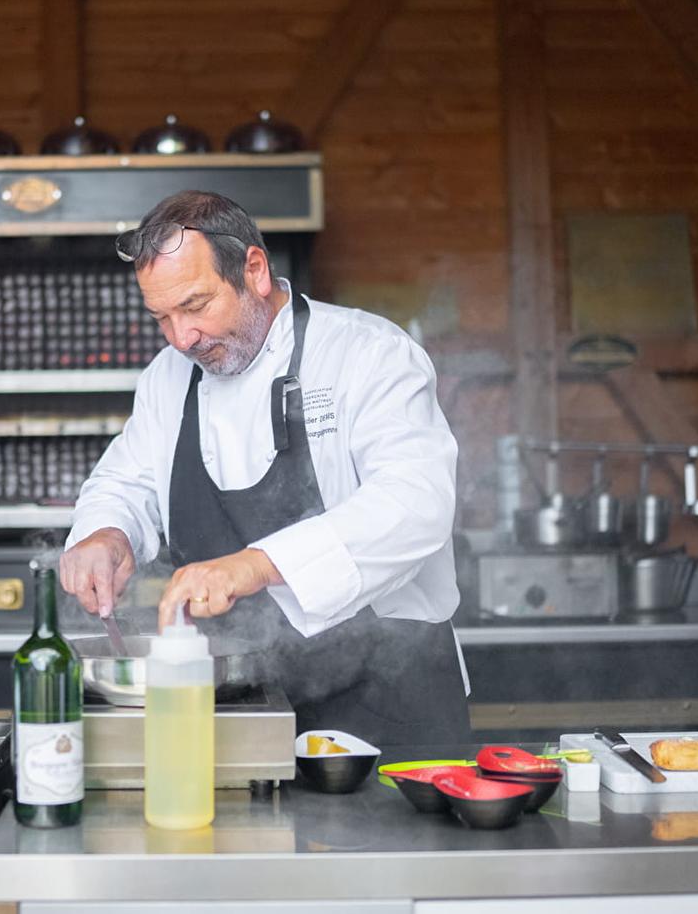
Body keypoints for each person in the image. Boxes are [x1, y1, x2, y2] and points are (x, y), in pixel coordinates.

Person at [58, 189, 469, 745]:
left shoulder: (367, 354)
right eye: (162, 318)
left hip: (387, 701)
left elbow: (416, 503)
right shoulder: (167, 378)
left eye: (196, 306)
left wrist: (255, 565)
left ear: (254, 270)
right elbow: (124, 483)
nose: (181, 338)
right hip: (237, 701)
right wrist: (106, 533)